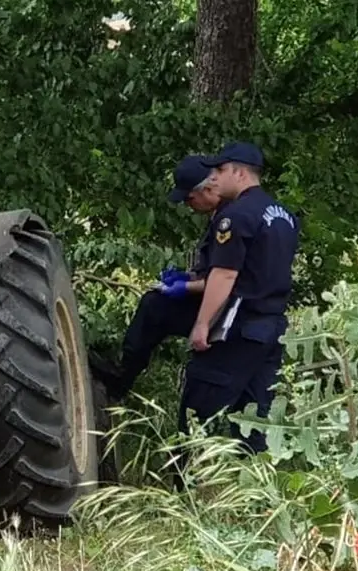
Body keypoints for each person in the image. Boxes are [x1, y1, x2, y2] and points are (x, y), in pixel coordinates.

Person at [177, 141, 299, 457]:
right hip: (273, 328)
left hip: (240, 325)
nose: (213, 178)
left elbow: (225, 275)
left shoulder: (236, 216)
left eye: (220, 170)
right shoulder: (284, 215)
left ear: (239, 172)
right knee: (254, 420)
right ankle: (256, 496)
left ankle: (180, 488)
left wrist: (203, 324)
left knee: (195, 409)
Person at [89, 155, 225, 401]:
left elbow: (226, 278)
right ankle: (123, 373)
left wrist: (186, 287)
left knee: (155, 307)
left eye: (189, 198)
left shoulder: (231, 220)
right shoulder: (216, 218)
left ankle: (121, 380)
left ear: (207, 188)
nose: (187, 204)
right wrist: (186, 277)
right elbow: (213, 270)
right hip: (212, 297)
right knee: (154, 304)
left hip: (225, 310)